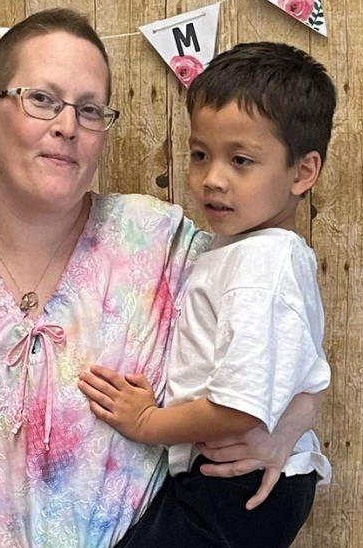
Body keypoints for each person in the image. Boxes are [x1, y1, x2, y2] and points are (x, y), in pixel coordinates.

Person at [0, 8, 322, 548]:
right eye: (41, 99)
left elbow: (274, 325)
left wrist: (296, 417)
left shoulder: (159, 241)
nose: (66, 125)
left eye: (89, 110)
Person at [79, 42, 337, 548]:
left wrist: (149, 422)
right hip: (229, 478)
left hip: (236, 480)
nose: (212, 179)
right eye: (200, 155)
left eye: (241, 160)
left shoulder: (261, 263)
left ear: (302, 172)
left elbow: (241, 407)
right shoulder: (241, 252)